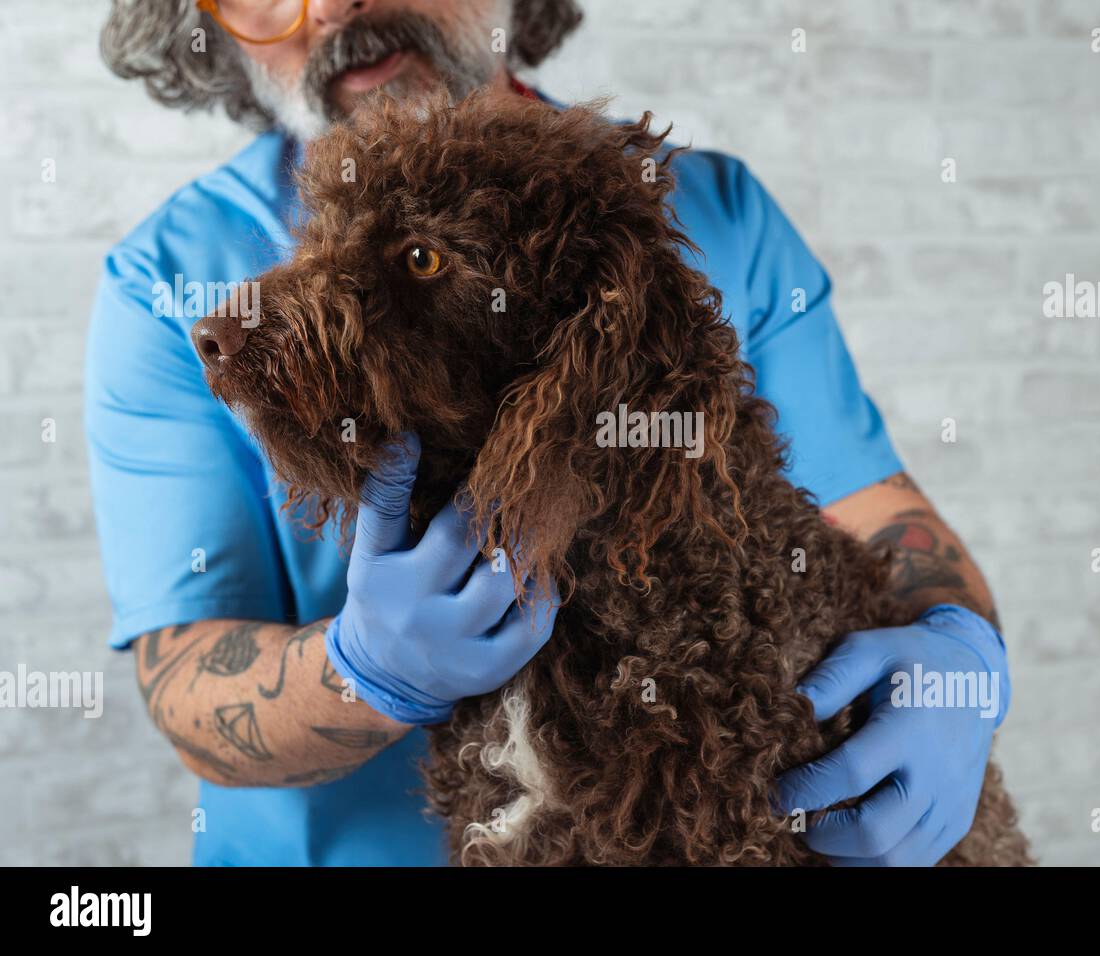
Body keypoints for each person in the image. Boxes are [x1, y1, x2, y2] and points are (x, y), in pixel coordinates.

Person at [88, 0, 1011, 866]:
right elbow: (183, 681)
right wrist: (365, 672)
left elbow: (883, 514)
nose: (331, 4)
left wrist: (958, 664)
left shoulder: (703, 213)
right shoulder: (168, 281)